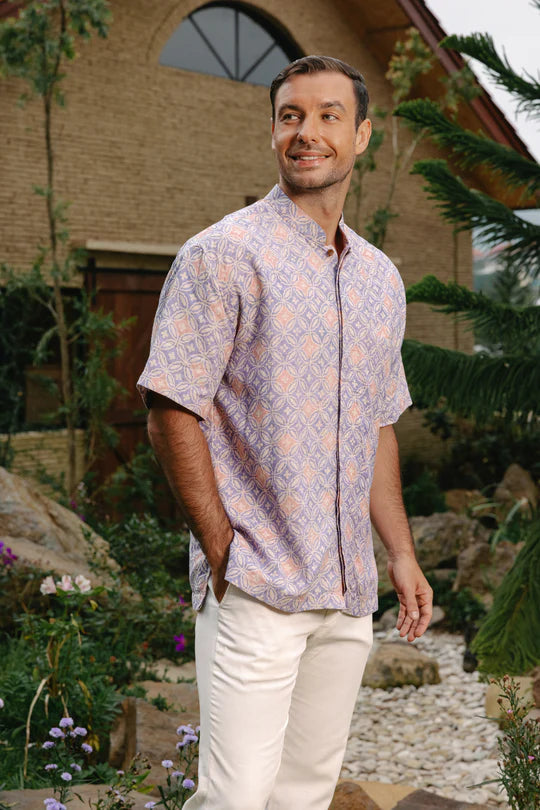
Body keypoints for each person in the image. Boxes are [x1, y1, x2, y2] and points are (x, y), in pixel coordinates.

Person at [138, 55, 433, 810]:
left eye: (329, 115)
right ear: (273, 131)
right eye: (291, 116)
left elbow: (377, 423)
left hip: (347, 592)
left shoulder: (381, 279)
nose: (307, 132)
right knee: (234, 798)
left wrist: (400, 555)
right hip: (257, 582)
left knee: (304, 795)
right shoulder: (221, 255)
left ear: (361, 135)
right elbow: (171, 407)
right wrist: (221, 548)